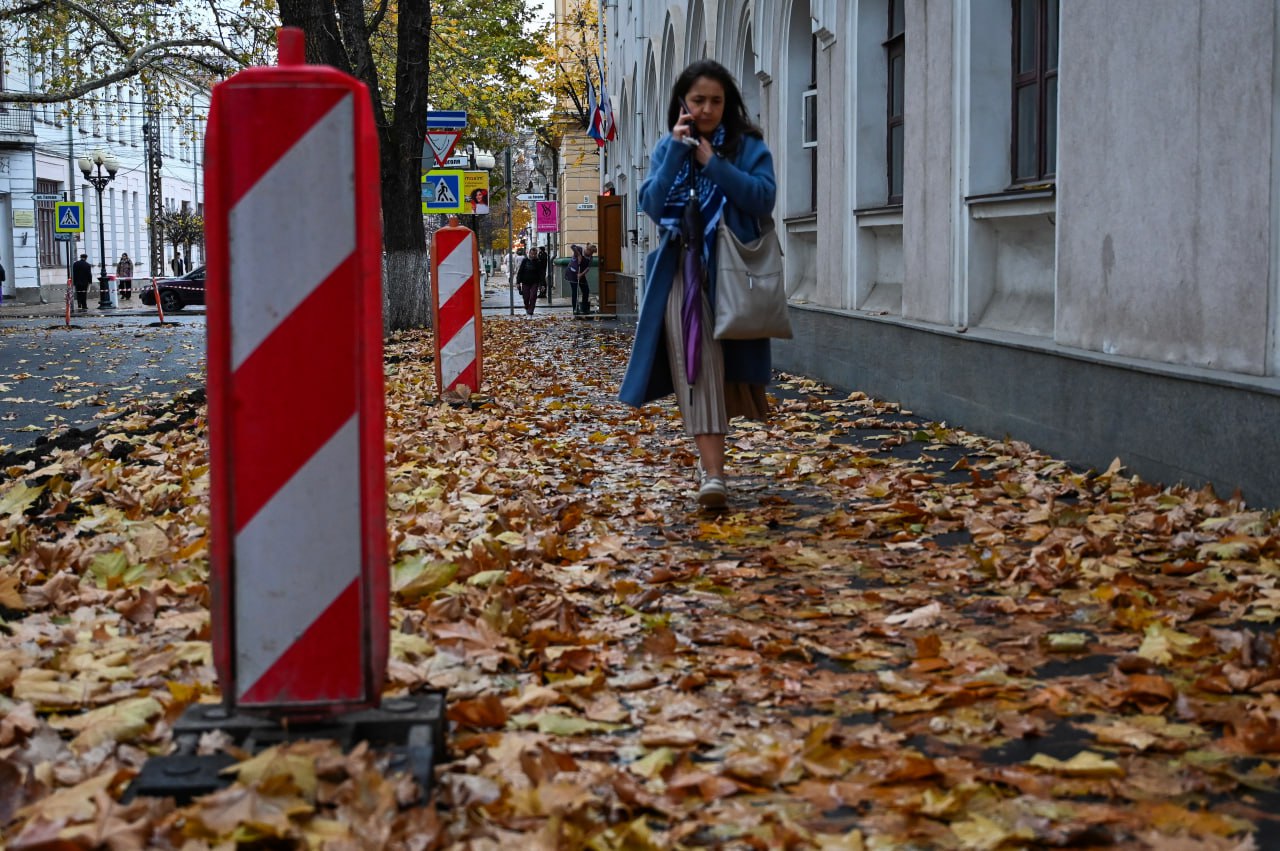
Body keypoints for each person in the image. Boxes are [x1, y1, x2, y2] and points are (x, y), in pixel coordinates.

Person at [617, 59, 777, 509]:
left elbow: (763, 198)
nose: (707, 109)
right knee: (698, 366)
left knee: (728, 375)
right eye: (698, 100)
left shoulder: (748, 147)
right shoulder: (668, 146)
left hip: (733, 271)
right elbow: (650, 203)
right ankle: (714, 476)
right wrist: (677, 152)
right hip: (682, 273)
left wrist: (713, 164)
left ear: (728, 104)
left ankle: (711, 465)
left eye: (716, 100)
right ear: (683, 104)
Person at [516, 249, 541, 316]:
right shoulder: (525, 261)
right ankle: (527, 307)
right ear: (529, 253)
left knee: (533, 296)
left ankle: (531, 311)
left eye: (534, 254)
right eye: (532, 254)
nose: (533, 255)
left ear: (536, 254)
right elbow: (520, 272)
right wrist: (518, 282)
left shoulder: (538, 262)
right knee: (526, 298)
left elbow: (541, 274)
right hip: (525, 282)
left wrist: (542, 284)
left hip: (534, 282)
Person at [566, 245, 585, 315]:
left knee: (576, 291)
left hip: (576, 274)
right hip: (571, 275)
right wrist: (577, 251)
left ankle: (577, 307)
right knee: (574, 291)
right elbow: (572, 246)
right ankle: (575, 308)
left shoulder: (579, 257)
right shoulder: (575, 256)